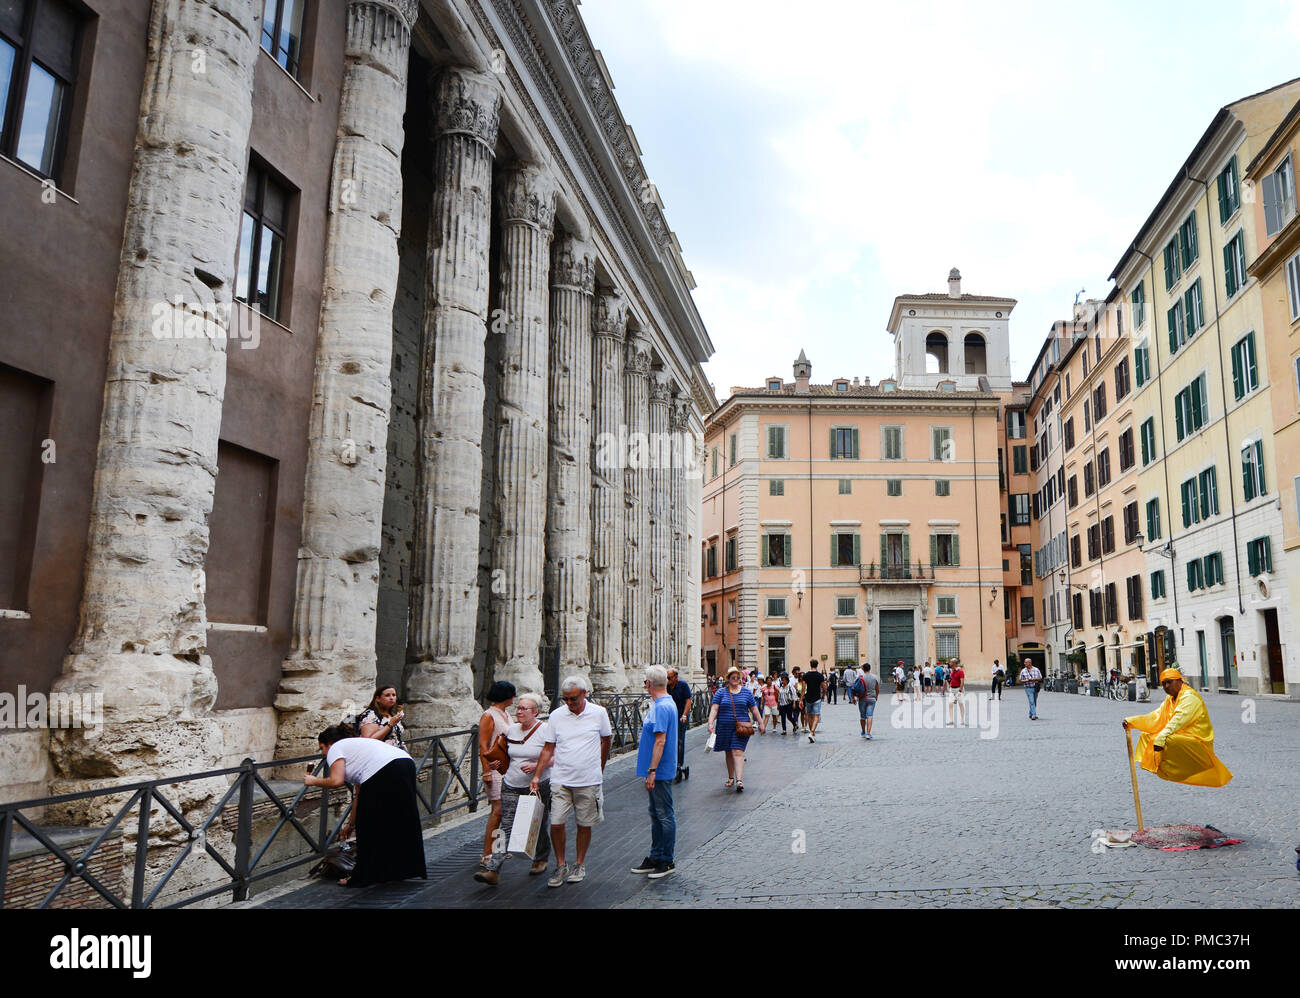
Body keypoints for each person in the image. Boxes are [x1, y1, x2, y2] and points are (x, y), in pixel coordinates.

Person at [305, 724, 426, 887]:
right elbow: (359, 795)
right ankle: (403, 869)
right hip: (405, 763)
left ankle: (363, 876)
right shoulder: (358, 748)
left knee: (369, 826)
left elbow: (336, 780)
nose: (323, 753)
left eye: (322, 748)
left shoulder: (336, 748)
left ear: (330, 743)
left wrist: (313, 781)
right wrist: (351, 824)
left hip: (383, 770)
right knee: (401, 819)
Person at [529, 676, 612, 886]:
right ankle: (560, 864)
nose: (569, 703)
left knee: (584, 823)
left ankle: (579, 863)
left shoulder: (599, 713)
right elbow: (548, 747)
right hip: (561, 778)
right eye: (565, 699)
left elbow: (606, 740)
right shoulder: (557, 716)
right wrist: (537, 775)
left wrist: (600, 767)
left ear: (584, 694)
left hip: (588, 779)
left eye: (573, 698)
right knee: (556, 823)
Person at [474, 693, 551, 885]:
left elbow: (555, 756)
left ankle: (540, 858)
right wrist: (495, 764)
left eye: (524, 709)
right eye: (518, 708)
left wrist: (536, 767)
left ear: (536, 712)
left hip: (538, 784)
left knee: (538, 824)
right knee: (505, 825)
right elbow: (502, 753)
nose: (519, 712)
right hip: (511, 784)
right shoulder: (511, 731)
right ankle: (493, 868)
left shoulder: (545, 730)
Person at [1122, 668, 1232, 787]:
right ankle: (1161, 767)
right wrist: (1132, 721)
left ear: (1180, 681)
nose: (1166, 686)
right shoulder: (1170, 699)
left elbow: (1177, 721)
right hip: (1184, 736)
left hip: (1198, 741)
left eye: (1170, 682)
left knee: (1166, 739)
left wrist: (1161, 738)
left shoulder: (1189, 697)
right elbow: (1156, 717)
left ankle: (1181, 769)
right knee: (1147, 736)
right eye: (1163, 683)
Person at [630, 666, 679, 879]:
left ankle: (666, 860)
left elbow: (660, 741)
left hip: (659, 770)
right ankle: (656, 856)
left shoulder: (661, 707)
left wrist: (651, 772)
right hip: (659, 769)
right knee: (657, 813)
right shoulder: (666, 703)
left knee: (664, 814)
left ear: (649, 684)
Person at [708, 665, 764, 791]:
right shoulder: (721, 692)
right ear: (728, 678)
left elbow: (754, 709)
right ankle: (731, 777)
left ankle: (739, 780)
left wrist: (760, 722)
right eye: (732, 676)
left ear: (740, 678)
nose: (735, 678)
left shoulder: (746, 692)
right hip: (724, 727)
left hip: (741, 727)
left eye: (737, 677)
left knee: (737, 751)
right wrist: (710, 723)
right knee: (728, 751)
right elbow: (715, 708)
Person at [478, 681, 515, 867]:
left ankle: (499, 848)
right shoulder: (488, 715)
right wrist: (486, 771)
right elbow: (483, 745)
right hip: (494, 769)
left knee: (505, 811)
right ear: (507, 696)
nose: (514, 698)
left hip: (506, 767)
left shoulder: (506, 714)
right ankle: (487, 853)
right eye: (512, 695)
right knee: (497, 811)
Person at [358, 685, 407, 752]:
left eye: (394, 695)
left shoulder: (392, 715)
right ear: (378, 698)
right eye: (387, 695)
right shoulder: (371, 714)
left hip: (397, 755)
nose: (391, 698)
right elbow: (369, 740)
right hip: (381, 756)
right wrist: (390, 725)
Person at [666, 668, 693, 782]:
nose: (667, 680)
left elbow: (688, 701)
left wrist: (685, 715)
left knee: (679, 741)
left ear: (676, 677)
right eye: (666, 678)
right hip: (669, 717)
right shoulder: (666, 687)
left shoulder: (683, 686)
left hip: (680, 716)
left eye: (669, 678)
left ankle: (679, 764)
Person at [852, 664, 880, 739]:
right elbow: (877, 689)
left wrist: (853, 698)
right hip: (872, 699)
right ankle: (868, 733)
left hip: (862, 699)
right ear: (870, 669)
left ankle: (863, 731)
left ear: (863, 669)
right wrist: (876, 696)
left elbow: (854, 688)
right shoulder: (875, 677)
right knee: (870, 715)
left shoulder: (860, 677)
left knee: (862, 716)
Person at [802, 659, 825, 742]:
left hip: (808, 698)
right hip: (817, 698)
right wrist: (823, 695)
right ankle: (812, 732)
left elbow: (803, 688)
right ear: (817, 665)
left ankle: (812, 733)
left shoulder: (806, 675)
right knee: (816, 715)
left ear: (810, 664)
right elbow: (824, 687)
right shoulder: (819, 675)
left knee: (809, 715)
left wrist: (801, 699)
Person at [948, 660, 966, 726]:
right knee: (950, 704)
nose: (950, 663)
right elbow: (951, 679)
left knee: (960, 704)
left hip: (958, 689)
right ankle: (951, 720)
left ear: (955, 663)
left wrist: (960, 691)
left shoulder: (960, 671)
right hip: (952, 689)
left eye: (951, 662)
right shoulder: (952, 671)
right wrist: (949, 687)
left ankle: (962, 720)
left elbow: (962, 681)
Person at [790, 666, 806, 732]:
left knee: (803, 713)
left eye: (798, 673)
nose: (797, 675)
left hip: (803, 698)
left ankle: (803, 725)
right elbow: (792, 690)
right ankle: (796, 723)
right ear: (793, 673)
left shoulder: (802, 681)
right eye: (796, 673)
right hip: (795, 698)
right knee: (795, 712)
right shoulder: (791, 680)